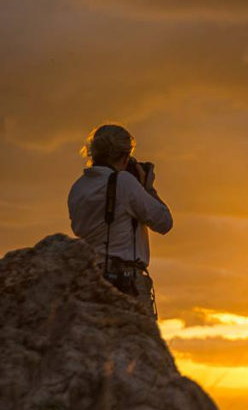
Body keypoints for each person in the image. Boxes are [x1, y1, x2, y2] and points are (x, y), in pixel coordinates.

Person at [68, 124, 173, 316]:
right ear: (125, 157)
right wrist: (148, 188)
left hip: (90, 278)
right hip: (126, 281)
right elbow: (164, 221)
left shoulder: (78, 188)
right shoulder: (123, 182)